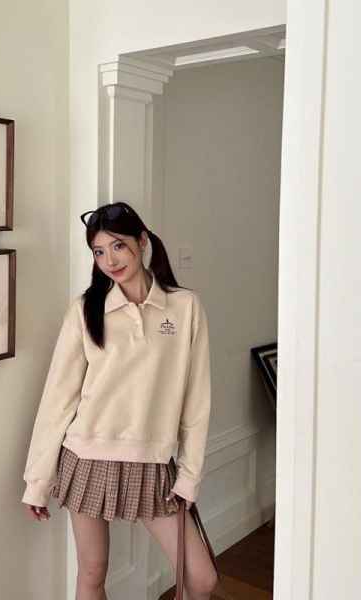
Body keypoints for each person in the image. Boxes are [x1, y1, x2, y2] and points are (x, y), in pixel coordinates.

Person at [22, 201, 218, 600]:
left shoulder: (185, 307)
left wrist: (189, 475)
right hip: (87, 457)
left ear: (142, 242)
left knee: (202, 580)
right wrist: (37, 482)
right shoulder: (86, 309)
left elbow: (196, 402)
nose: (109, 260)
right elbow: (58, 399)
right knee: (92, 574)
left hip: (153, 463)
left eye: (118, 246)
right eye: (98, 251)